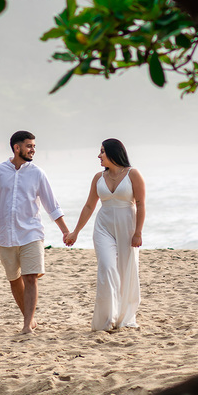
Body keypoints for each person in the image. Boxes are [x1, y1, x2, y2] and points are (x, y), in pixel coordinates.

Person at [0, 130, 70, 335]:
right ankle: (29, 317)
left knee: (30, 278)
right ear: (16, 147)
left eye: (34, 146)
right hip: (5, 235)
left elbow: (52, 206)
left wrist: (65, 232)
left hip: (32, 233)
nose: (33, 150)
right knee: (14, 279)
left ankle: (27, 324)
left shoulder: (38, 173)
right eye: (29, 146)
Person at [64, 138, 145, 331]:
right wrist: (75, 232)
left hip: (127, 226)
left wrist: (138, 232)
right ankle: (107, 318)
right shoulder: (98, 178)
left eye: (102, 151)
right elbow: (89, 206)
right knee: (107, 268)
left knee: (126, 271)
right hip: (103, 227)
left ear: (113, 153)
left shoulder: (133, 174)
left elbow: (141, 204)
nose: (99, 156)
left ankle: (125, 317)